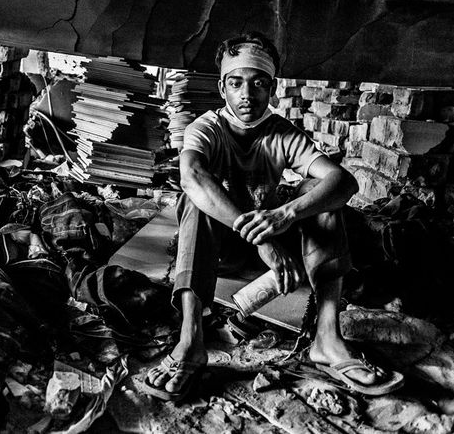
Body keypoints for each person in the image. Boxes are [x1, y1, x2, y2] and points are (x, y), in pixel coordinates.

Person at [142, 32, 403, 401]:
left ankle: (327, 339)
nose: (247, 94)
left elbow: (343, 182)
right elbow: (192, 175)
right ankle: (191, 339)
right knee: (194, 202)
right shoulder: (207, 128)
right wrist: (261, 238)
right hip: (222, 254)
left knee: (320, 197)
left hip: (275, 262)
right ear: (222, 88)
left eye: (258, 83)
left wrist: (285, 215)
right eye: (236, 83)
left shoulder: (281, 132)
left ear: (272, 88)